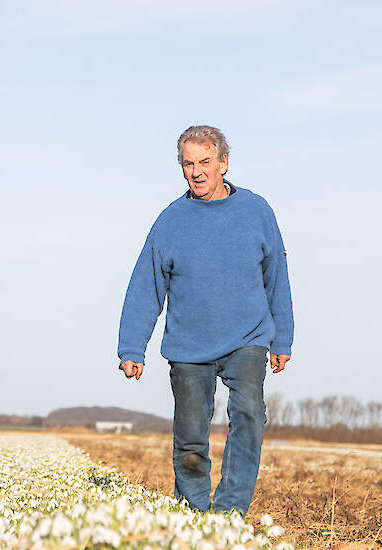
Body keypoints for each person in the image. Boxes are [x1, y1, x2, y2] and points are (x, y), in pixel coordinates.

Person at [117, 125, 293, 516]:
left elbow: (276, 277)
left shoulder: (256, 211)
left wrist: (282, 339)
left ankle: (230, 512)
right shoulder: (171, 221)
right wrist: (132, 346)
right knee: (190, 439)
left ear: (223, 163)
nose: (196, 171)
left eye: (205, 162)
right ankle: (195, 515)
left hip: (247, 337)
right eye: (188, 163)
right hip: (189, 345)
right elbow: (146, 284)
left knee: (249, 416)